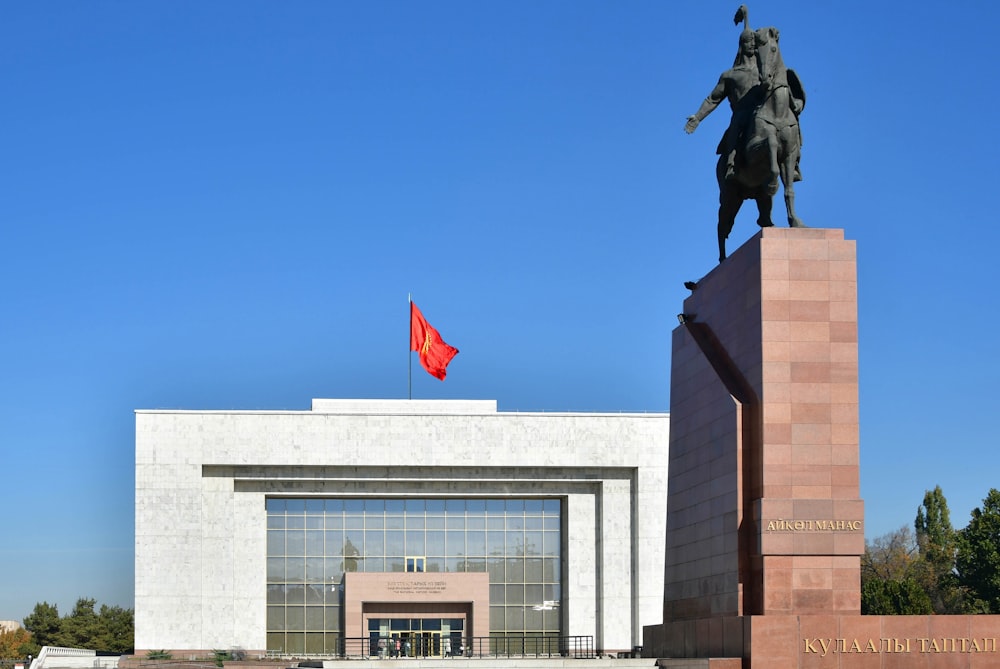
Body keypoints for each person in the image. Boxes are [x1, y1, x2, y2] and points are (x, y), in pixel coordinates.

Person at [684, 28, 761, 181]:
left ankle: (793, 163)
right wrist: (698, 118)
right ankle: (731, 164)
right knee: (736, 123)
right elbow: (713, 99)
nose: (752, 44)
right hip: (741, 114)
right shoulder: (730, 76)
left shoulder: (763, 71)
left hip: (760, 113)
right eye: (748, 41)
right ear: (741, 45)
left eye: (754, 41)